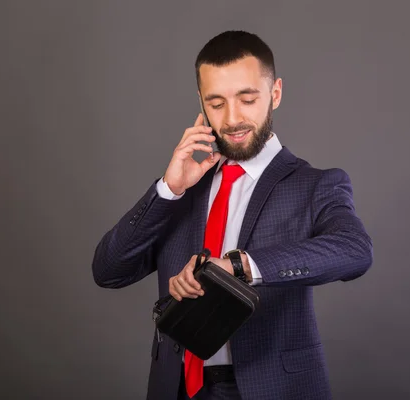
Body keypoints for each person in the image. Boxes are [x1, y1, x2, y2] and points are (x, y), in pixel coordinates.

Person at [92, 30, 373, 400]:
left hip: (271, 387)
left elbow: (355, 251)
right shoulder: (181, 191)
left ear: (275, 94)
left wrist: (238, 267)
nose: (233, 118)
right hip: (177, 388)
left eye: (247, 99)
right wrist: (168, 189)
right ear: (201, 103)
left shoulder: (315, 185)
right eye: (217, 103)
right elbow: (109, 272)